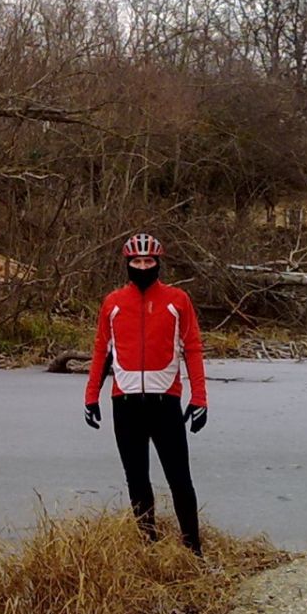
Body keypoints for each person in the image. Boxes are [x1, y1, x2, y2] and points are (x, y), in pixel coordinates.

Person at [83, 232, 209, 555]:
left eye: (148, 261)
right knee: (137, 480)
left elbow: (193, 348)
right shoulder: (112, 303)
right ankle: (148, 547)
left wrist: (199, 398)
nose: (142, 267)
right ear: (128, 264)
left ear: (158, 263)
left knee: (180, 479)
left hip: (165, 402)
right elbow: (101, 350)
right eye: (137, 262)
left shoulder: (177, 300)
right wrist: (91, 396)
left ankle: (193, 550)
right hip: (125, 404)